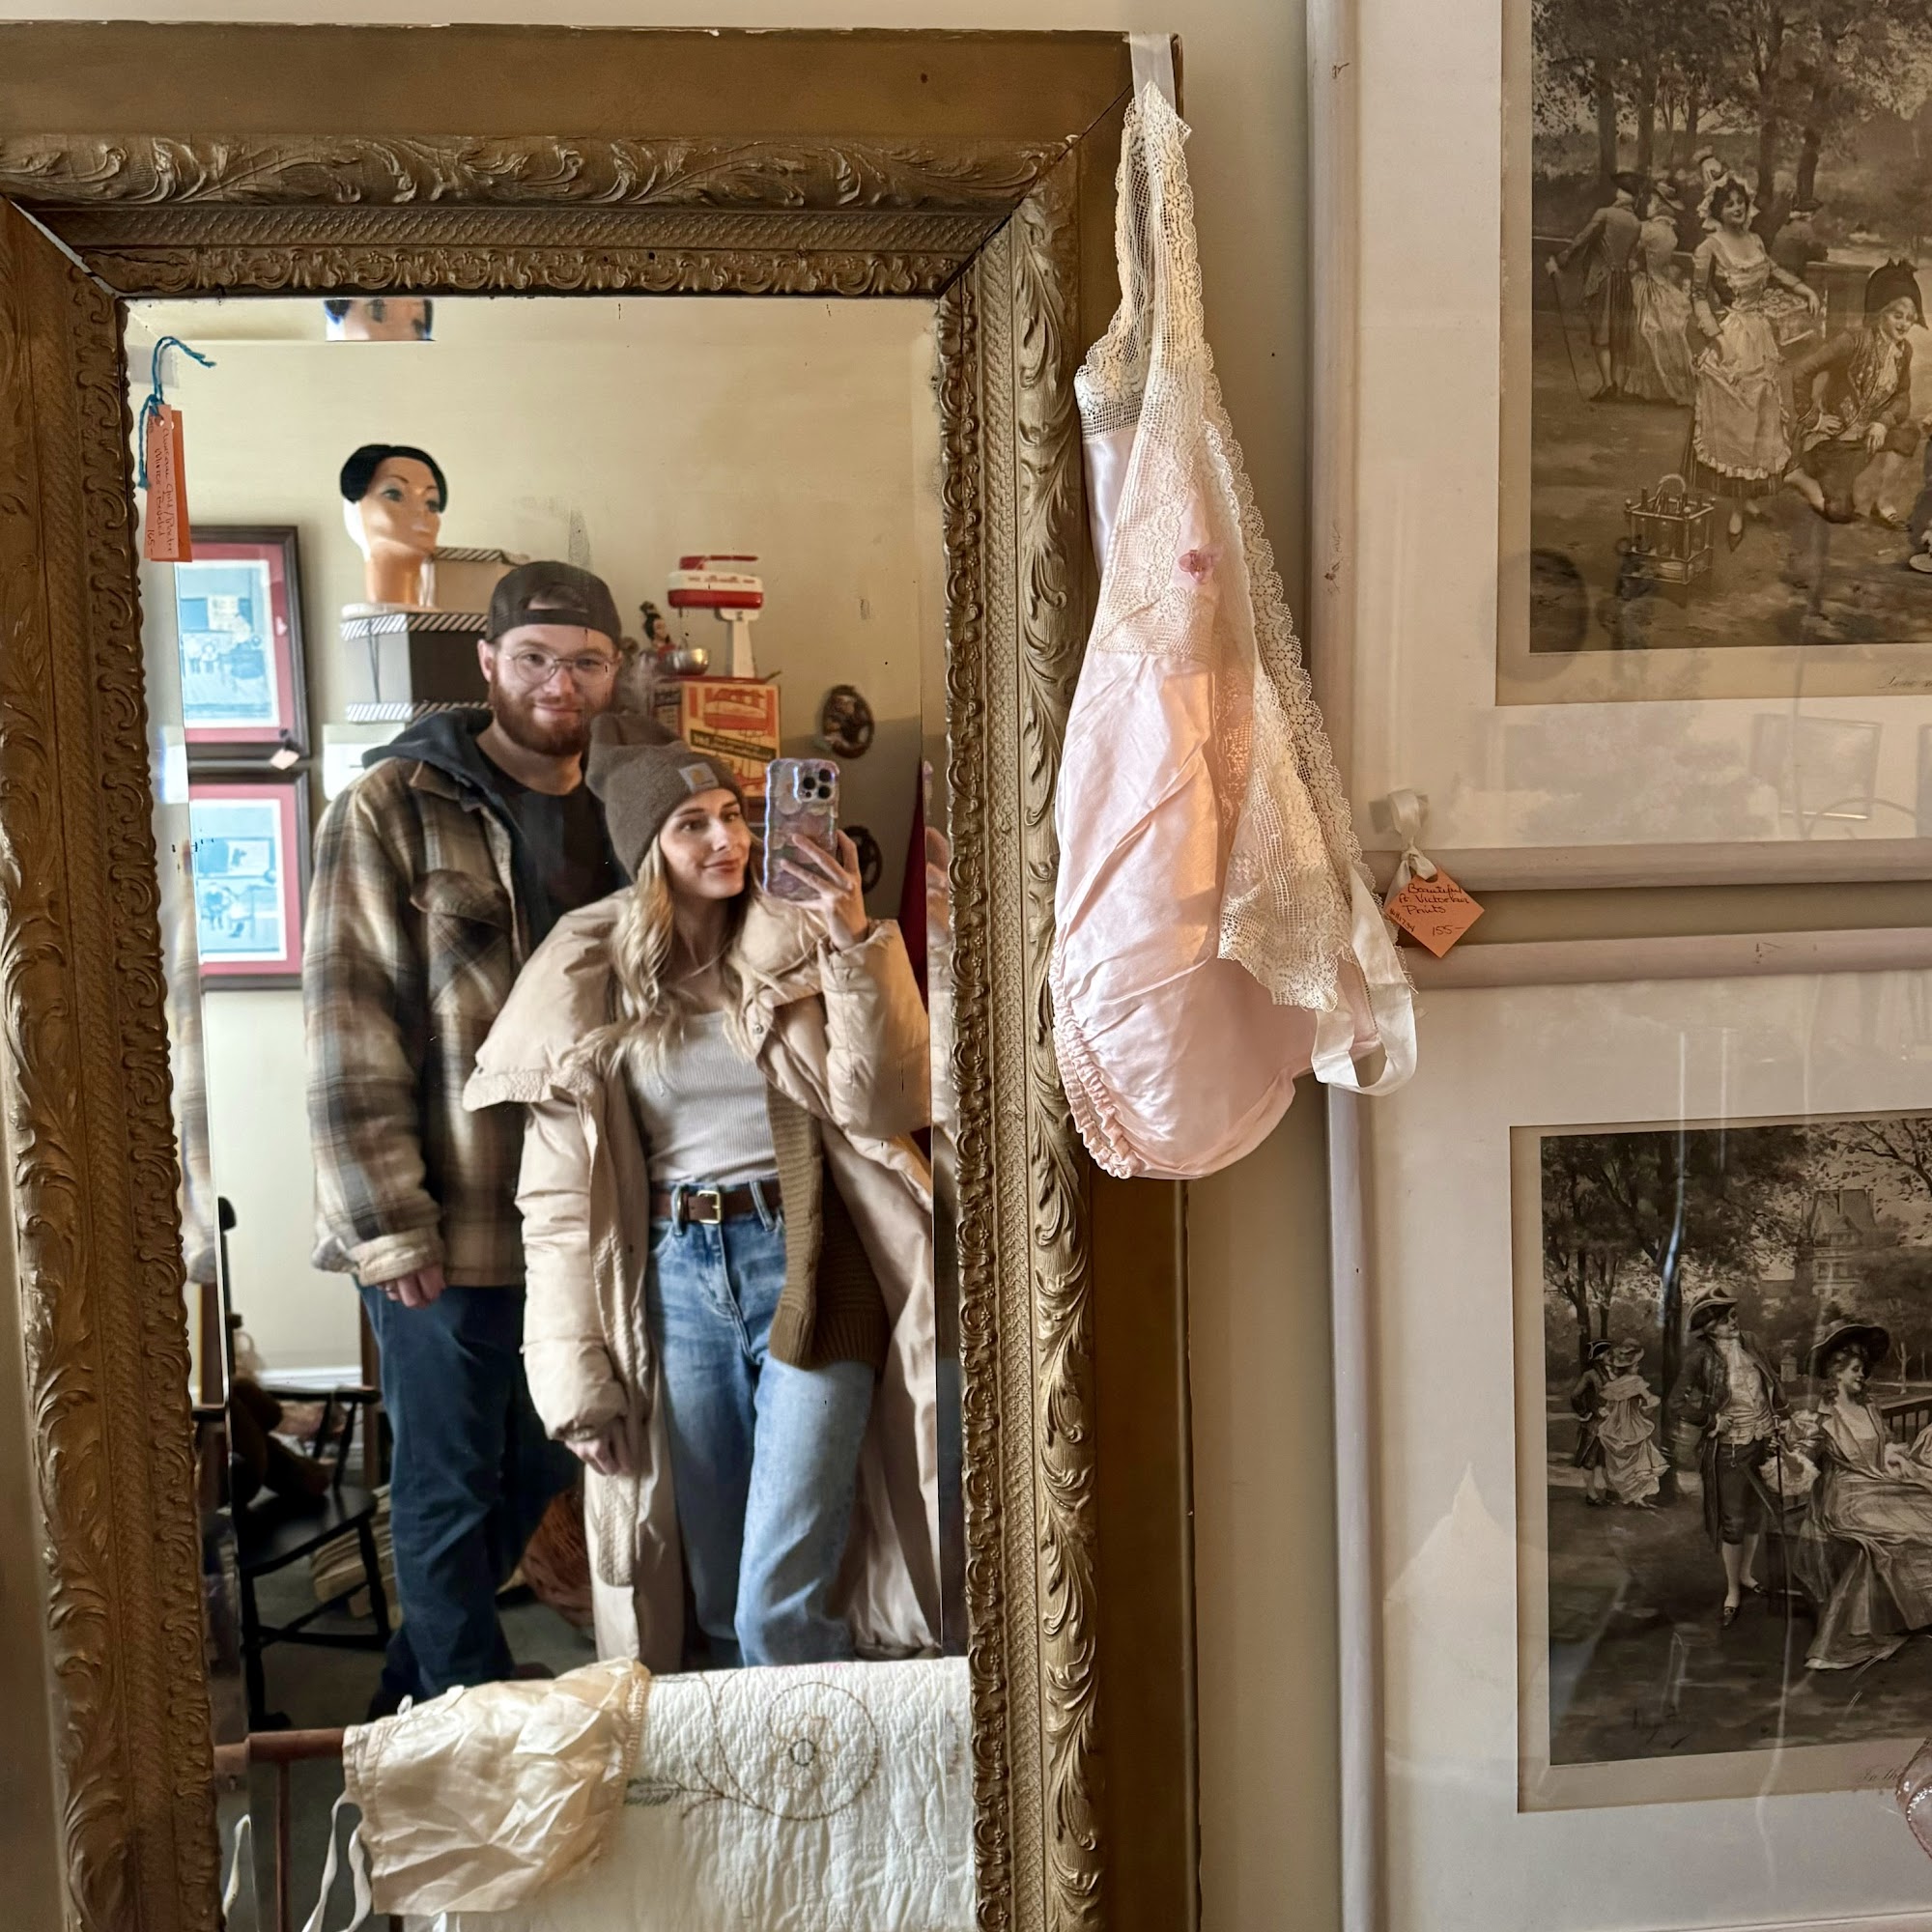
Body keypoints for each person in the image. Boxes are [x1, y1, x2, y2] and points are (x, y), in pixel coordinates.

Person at [466, 717, 941, 1669]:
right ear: (647, 852)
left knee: (775, 1604)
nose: (727, 839)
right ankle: (761, 1763)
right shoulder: (590, 984)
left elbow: (892, 1098)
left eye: (732, 814)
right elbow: (558, 1207)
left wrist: (853, 935)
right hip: (674, 1284)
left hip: (811, 1260)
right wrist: (573, 1381)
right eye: (693, 824)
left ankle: (824, 1761)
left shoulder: (799, 942)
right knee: (717, 1601)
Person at [305, 559, 632, 1714]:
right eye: (534, 657)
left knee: (542, 1456)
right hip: (452, 1213)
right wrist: (388, 1223)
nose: (559, 683)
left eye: (585, 661)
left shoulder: (626, 809)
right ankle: (467, 1717)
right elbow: (348, 1022)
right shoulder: (390, 805)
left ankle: (417, 1691)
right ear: (487, 662)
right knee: (446, 1483)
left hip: (587, 1216)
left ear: (614, 673)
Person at [1789, 1322, 1932, 1671]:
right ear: (1836, 1373)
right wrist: (1789, 1456)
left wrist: (1893, 1458)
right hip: (1846, 1498)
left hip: (1879, 1484)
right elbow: (1801, 1464)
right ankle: (1864, 1631)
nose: (1862, 1375)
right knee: (1898, 1534)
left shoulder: (1869, 1407)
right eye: (1855, 1369)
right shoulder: (1821, 1419)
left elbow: (1885, 1444)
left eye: (1863, 1369)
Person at [1688, 171, 1820, 547]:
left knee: (1762, 419)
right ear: (1717, 210)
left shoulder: (1756, 241)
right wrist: (1716, 339)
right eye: (1729, 204)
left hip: (1760, 337)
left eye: (1741, 203)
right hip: (1731, 338)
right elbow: (1698, 295)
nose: (1737, 208)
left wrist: (1805, 289)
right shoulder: (1709, 248)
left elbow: (1774, 272)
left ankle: (1747, 499)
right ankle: (1736, 508)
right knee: (1737, 424)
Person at [1669, 1293, 1790, 1627]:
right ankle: (1732, 1591)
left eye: (1733, 1315)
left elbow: (1773, 1382)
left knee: (1755, 1514)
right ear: (1709, 1329)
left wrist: (1781, 1418)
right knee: (1733, 1521)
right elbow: (1676, 1403)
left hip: (1764, 1441)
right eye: (1724, 1320)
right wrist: (1711, 1420)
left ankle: (1746, 1574)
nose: (1733, 1323)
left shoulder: (1752, 1343)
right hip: (1731, 1449)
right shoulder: (1700, 1358)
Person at [1786, 260, 1923, 527]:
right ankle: (1800, 476)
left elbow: (1902, 395)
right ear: (1880, 313)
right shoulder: (1851, 341)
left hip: (1867, 436)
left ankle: (1883, 504)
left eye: (1910, 318)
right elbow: (1802, 371)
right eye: (1897, 315)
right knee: (1839, 512)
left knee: (1908, 433)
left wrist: (1883, 423)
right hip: (1834, 439)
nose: (1904, 324)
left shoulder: (1903, 351)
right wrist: (1813, 418)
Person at [1546, 172, 1645, 401]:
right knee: (1617, 334)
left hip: (1603, 279)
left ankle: (1608, 384)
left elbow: (1583, 238)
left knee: (1601, 333)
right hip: (1623, 282)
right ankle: (1614, 384)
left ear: (1619, 192)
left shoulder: (1605, 214)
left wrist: (1565, 256)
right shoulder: (1636, 223)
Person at [1624, 179, 1695, 407]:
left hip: (1647, 284)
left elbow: (1630, 252)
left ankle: (1648, 388)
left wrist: (1631, 262)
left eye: (1652, 202)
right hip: (1662, 284)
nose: (1648, 205)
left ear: (1660, 206)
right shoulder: (1670, 233)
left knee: (1645, 333)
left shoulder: (1648, 230)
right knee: (1662, 334)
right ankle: (1661, 388)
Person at [1598, 1339, 1666, 1506]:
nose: (1638, 1367)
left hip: (1615, 1426)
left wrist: (1606, 1412)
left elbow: (1608, 1407)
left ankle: (1623, 1493)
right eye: (1636, 1365)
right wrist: (1649, 1404)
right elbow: (1651, 1400)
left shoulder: (1614, 1385)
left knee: (1618, 1460)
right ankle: (1637, 1496)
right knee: (1640, 1458)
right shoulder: (1636, 1381)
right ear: (1630, 1367)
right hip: (1633, 1424)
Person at [1569, 1340, 1613, 1507]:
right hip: (1594, 1425)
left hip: (1610, 1424)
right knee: (1590, 1460)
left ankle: (1611, 1491)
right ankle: (1591, 1494)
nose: (1610, 1356)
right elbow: (1575, 1396)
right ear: (1599, 1356)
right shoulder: (1589, 1375)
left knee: (1609, 1459)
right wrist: (1586, 1413)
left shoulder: (1610, 1373)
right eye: (1607, 1353)